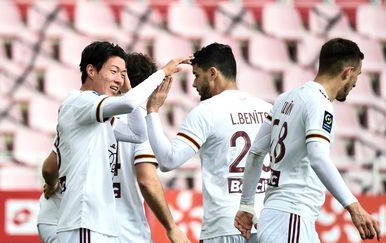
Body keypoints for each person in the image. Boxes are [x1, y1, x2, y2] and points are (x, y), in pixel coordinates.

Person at [234, 38, 381, 242]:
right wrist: (354, 207)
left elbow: (257, 152)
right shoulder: (319, 104)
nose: (356, 83)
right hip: (292, 215)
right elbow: (318, 158)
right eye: (357, 75)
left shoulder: (284, 98)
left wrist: (247, 204)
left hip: (280, 215)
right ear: (347, 72)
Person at [54, 41, 191, 242]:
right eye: (114, 71)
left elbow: (137, 134)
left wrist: (129, 93)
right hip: (84, 221)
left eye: (123, 74)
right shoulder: (81, 102)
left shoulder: (95, 116)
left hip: (96, 223)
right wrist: (162, 73)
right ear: (91, 70)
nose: (119, 79)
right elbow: (127, 104)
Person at [146, 43, 272, 242]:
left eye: (197, 75)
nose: (194, 84)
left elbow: (168, 160)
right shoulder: (268, 110)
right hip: (268, 225)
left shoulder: (206, 111)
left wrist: (152, 112)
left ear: (213, 73)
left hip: (224, 226)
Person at [113, 52, 189, 243]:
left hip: (90, 229)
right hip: (126, 233)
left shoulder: (101, 116)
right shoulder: (141, 124)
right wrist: (171, 227)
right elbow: (147, 180)